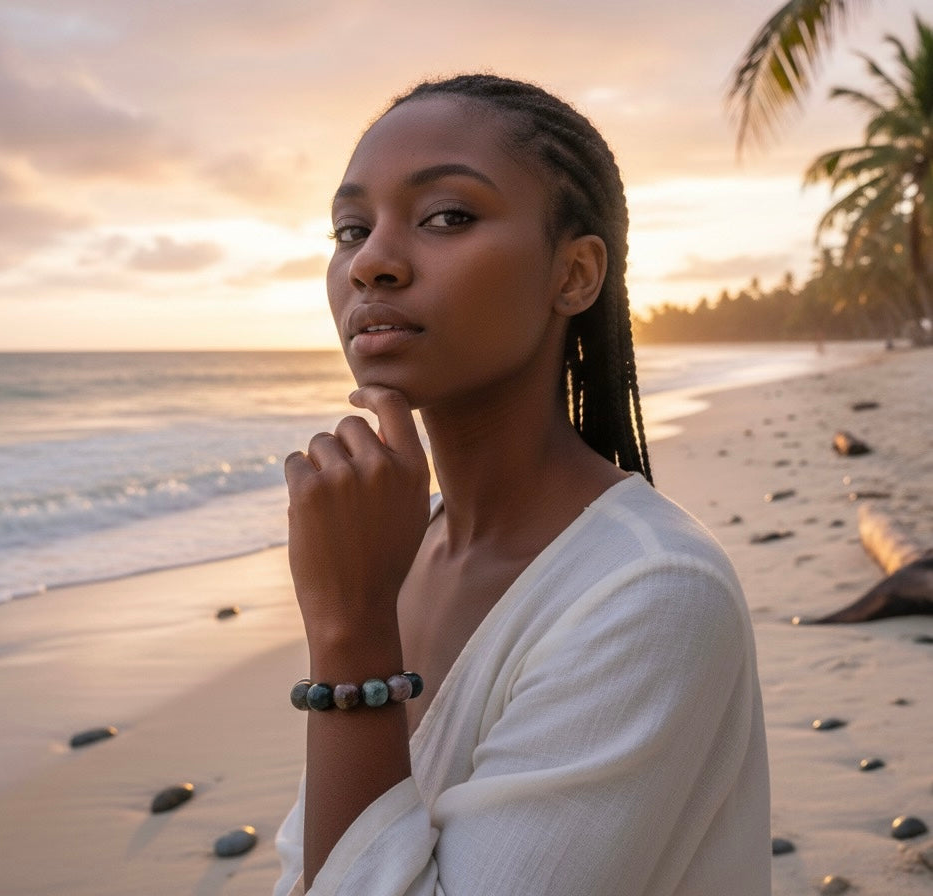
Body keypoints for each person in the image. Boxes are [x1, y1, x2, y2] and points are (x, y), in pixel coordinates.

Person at [274, 74, 770, 895]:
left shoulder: (651, 591)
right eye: (349, 229)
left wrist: (352, 631)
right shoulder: (402, 547)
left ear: (573, 274)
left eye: (447, 218)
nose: (371, 264)